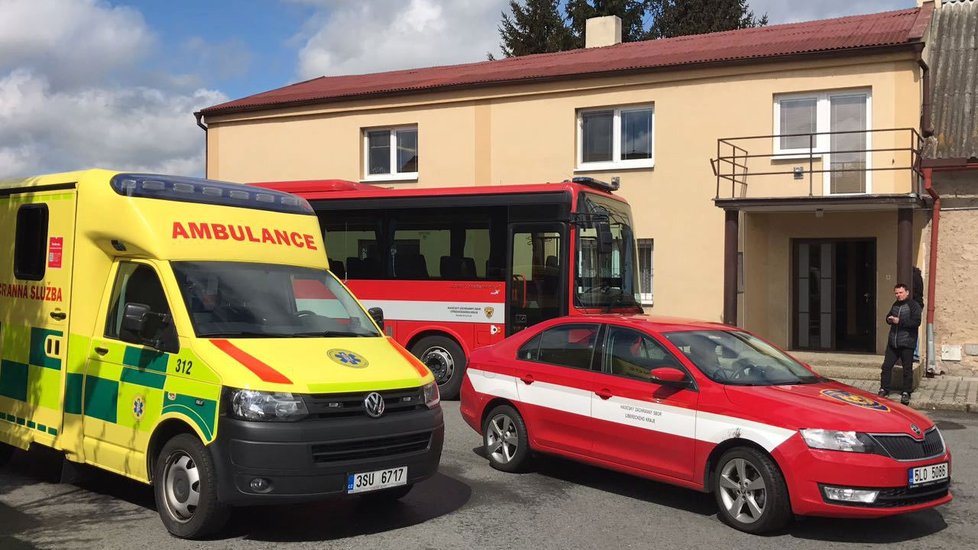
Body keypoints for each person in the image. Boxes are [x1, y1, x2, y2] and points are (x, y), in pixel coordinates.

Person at [879, 283, 922, 405]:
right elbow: (888, 316)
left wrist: (900, 321)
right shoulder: (895, 304)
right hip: (893, 342)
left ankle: (906, 392)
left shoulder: (914, 305)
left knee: (907, 369)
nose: (898, 295)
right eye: (896, 293)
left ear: (907, 292)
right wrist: (888, 319)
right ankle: (884, 389)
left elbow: (916, 322)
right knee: (886, 367)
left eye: (900, 292)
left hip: (907, 343)